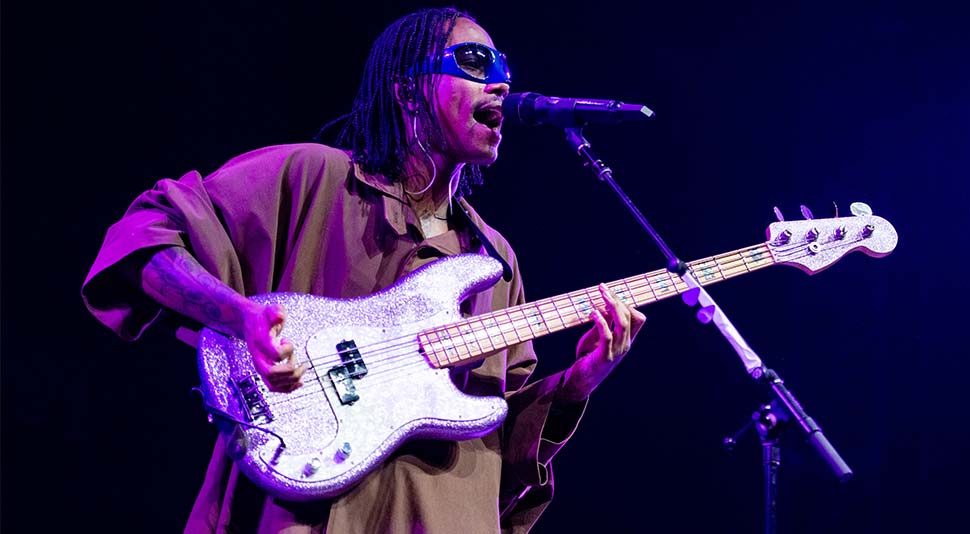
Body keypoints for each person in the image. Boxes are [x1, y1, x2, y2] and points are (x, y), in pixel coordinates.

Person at [82, 7, 647, 533]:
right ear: (406, 90)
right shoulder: (313, 180)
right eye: (475, 63)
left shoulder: (494, 259)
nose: (501, 83)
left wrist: (578, 382)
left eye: (504, 68)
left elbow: (501, 444)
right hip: (302, 505)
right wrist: (239, 316)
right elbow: (148, 235)